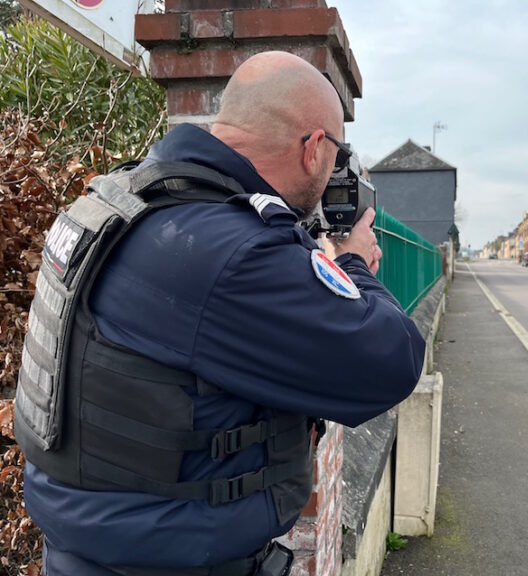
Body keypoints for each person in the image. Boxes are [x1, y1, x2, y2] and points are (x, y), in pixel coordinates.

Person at [17, 51, 425, 575]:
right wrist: (353, 266)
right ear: (315, 148)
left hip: (86, 550)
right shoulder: (229, 253)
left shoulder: (121, 203)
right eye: (337, 156)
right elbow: (391, 361)